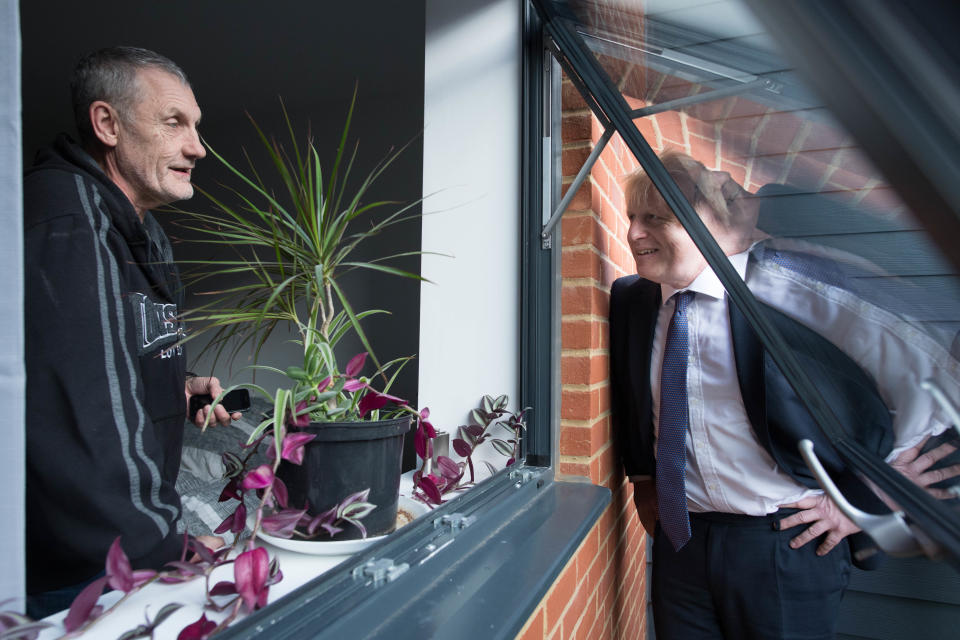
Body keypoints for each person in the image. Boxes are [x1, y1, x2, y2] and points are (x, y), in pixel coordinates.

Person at [609, 151, 960, 639]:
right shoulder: (633, 300)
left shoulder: (799, 285)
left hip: (787, 544)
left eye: (656, 218)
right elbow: (632, 402)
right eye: (631, 218)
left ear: (720, 219)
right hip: (681, 546)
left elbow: (942, 374)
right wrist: (645, 481)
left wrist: (870, 491)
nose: (633, 234)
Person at [23, 46, 238, 619]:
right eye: (175, 123)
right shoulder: (68, 219)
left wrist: (178, 382)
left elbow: (114, 348)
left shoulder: (142, 228)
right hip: (83, 568)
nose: (198, 146)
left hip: (124, 546)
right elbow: (84, 416)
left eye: (196, 126)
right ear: (107, 124)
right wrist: (174, 548)